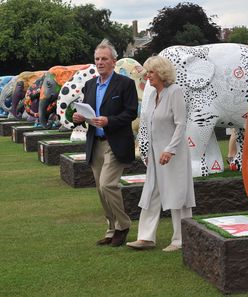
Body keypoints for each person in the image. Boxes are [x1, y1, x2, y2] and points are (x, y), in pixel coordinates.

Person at [72, 39, 138, 247]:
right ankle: (111, 229)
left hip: (115, 142)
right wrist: (80, 117)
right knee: (101, 190)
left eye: (104, 59)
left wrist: (109, 120)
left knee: (107, 184)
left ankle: (123, 225)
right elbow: (87, 110)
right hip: (95, 142)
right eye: (97, 59)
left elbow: (130, 113)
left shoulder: (125, 84)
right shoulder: (90, 84)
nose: (100, 62)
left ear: (113, 61)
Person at [127, 56, 195, 252]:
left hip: (173, 153)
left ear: (162, 73)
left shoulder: (175, 92)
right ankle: (146, 237)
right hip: (156, 155)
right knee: (151, 193)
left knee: (178, 193)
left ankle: (181, 239)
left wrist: (170, 149)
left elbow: (181, 124)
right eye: (147, 72)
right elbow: (147, 124)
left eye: (151, 72)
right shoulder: (150, 96)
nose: (147, 76)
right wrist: (145, 148)